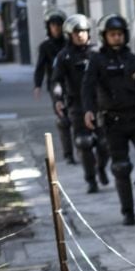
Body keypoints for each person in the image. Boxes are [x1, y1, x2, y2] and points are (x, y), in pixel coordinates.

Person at [82, 14, 135, 225]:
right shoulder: (96, 60)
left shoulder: (134, 60)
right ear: (105, 36)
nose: (116, 38)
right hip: (112, 121)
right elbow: (87, 87)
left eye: (119, 34)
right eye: (112, 34)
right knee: (121, 167)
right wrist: (88, 110)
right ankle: (128, 211)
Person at [51, 14, 109, 191]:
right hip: (77, 105)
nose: (80, 35)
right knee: (84, 142)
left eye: (83, 31)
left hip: (99, 104)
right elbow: (57, 81)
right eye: (76, 32)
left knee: (104, 143)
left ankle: (101, 168)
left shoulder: (98, 53)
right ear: (70, 35)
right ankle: (91, 179)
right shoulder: (64, 56)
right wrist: (58, 99)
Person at [34, 8, 75, 164]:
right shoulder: (45, 46)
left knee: (77, 117)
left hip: (73, 84)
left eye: (59, 24)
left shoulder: (70, 43)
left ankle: (84, 150)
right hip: (56, 85)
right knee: (63, 119)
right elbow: (40, 66)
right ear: (48, 27)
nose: (56, 27)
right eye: (53, 24)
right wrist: (37, 85)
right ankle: (68, 154)